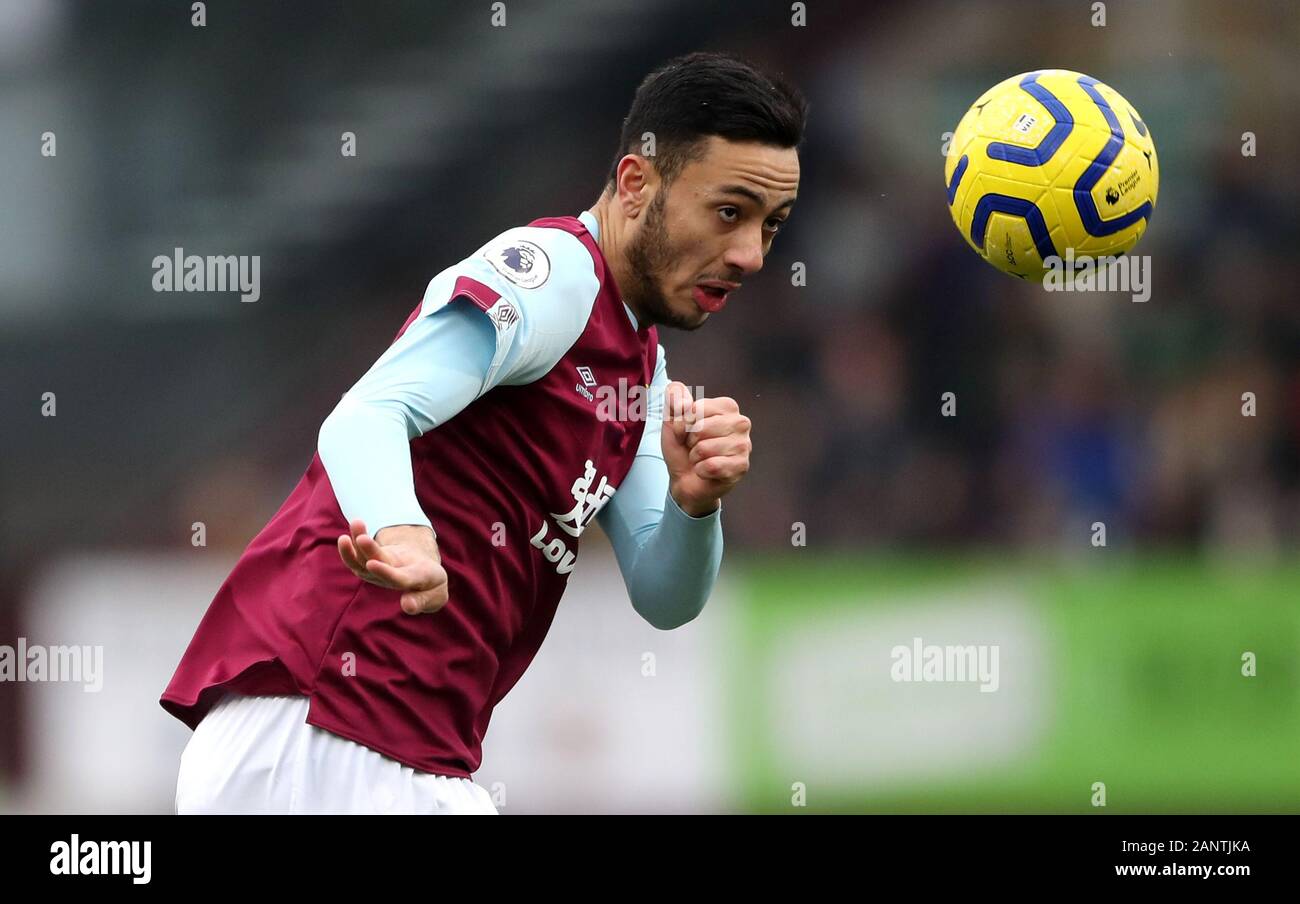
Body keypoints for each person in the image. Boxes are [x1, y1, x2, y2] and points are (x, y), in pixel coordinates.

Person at [161, 50, 806, 814]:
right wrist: (403, 534)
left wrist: (697, 504)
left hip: (393, 756)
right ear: (637, 184)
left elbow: (667, 597)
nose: (750, 254)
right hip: (320, 730)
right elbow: (366, 414)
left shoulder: (643, 370)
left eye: (771, 225)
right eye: (729, 212)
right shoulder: (555, 275)